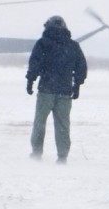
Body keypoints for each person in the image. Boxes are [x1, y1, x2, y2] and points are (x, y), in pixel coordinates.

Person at [25, 15, 88, 164]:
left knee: (39, 123)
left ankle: (36, 153)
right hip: (65, 92)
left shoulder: (42, 44)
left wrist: (30, 81)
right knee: (63, 126)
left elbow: (34, 63)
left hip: (46, 90)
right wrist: (77, 85)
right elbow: (81, 67)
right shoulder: (73, 46)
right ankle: (62, 156)